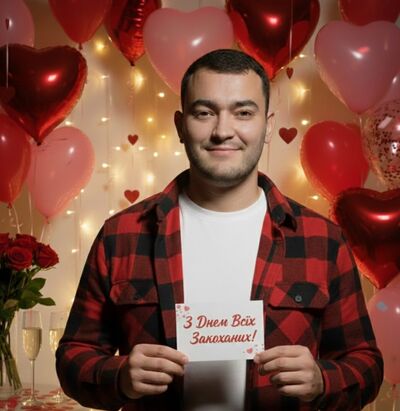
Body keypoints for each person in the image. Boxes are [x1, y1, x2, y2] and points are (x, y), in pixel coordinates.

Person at [56, 49, 383, 411]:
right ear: (180, 126)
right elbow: (73, 357)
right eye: (204, 112)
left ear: (267, 126)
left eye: (243, 113)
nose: (223, 131)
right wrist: (119, 376)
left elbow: (365, 365)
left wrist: (322, 380)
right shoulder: (121, 235)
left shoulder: (322, 240)